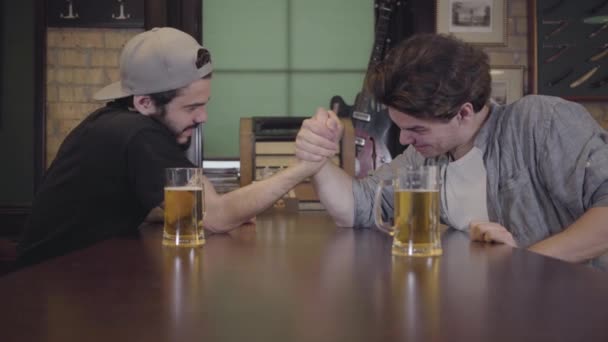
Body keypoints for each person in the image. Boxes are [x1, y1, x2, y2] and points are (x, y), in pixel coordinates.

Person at [17, 27, 329, 266]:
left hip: (79, 274)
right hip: (48, 286)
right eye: (192, 107)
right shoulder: (138, 134)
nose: (203, 117)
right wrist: (303, 166)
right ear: (144, 102)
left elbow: (144, 207)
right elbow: (217, 216)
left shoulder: (114, 122)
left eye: (204, 105)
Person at [295, 33, 608, 267]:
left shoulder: (538, 121)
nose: (404, 139)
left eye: (417, 129)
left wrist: (524, 263)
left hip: (569, 310)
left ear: (464, 112)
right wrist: (317, 158)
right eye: (400, 126)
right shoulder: (425, 158)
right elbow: (358, 207)